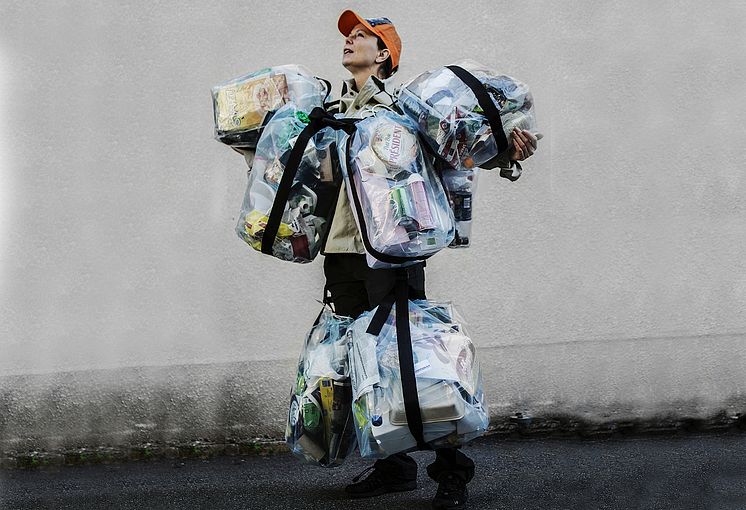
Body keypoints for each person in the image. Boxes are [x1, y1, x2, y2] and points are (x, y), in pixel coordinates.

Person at [239, 10, 538, 509]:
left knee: (413, 362)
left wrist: (507, 152)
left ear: (384, 55)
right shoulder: (327, 110)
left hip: (392, 255)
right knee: (359, 358)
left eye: (362, 37)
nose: (350, 41)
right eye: (348, 36)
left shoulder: (407, 110)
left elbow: (457, 151)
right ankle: (393, 464)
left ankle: (452, 472)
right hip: (340, 251)